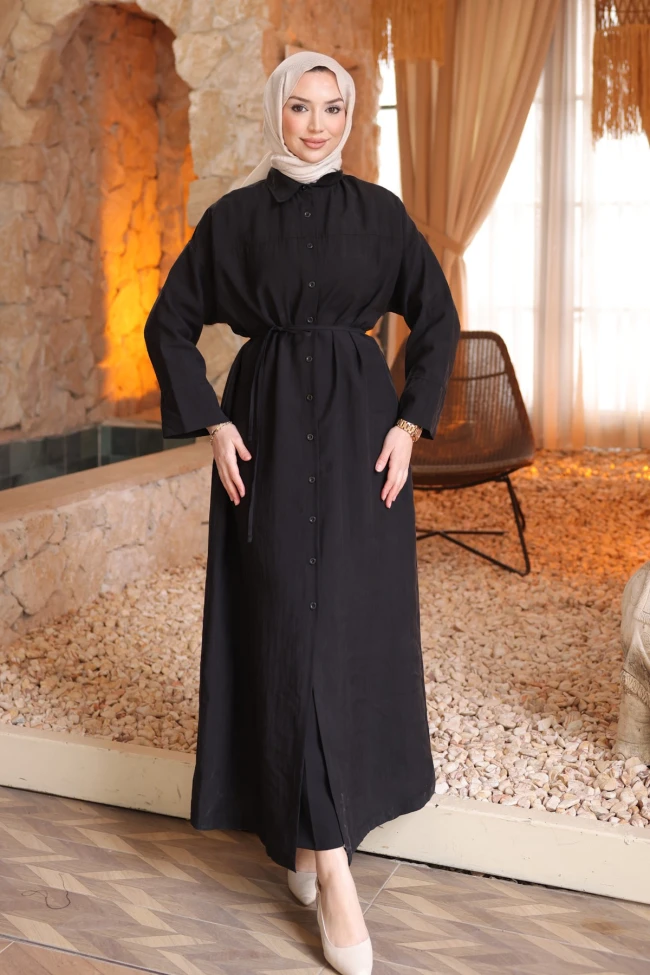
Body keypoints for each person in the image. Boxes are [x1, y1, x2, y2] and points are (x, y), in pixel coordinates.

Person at [144, 49, 460, 975]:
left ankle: (308, 839)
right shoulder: (235, 219)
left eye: (331, 109)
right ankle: (336, 872)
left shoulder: (382, 215)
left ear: (349, 119)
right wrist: (211, 421)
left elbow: (437, 318)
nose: (315, 125)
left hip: (363, 446)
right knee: (287, 633)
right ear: (276, 112)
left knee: (342, 639)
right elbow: (168, 323)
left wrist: (410, 423)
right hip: (269, 440)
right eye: (299, 107)